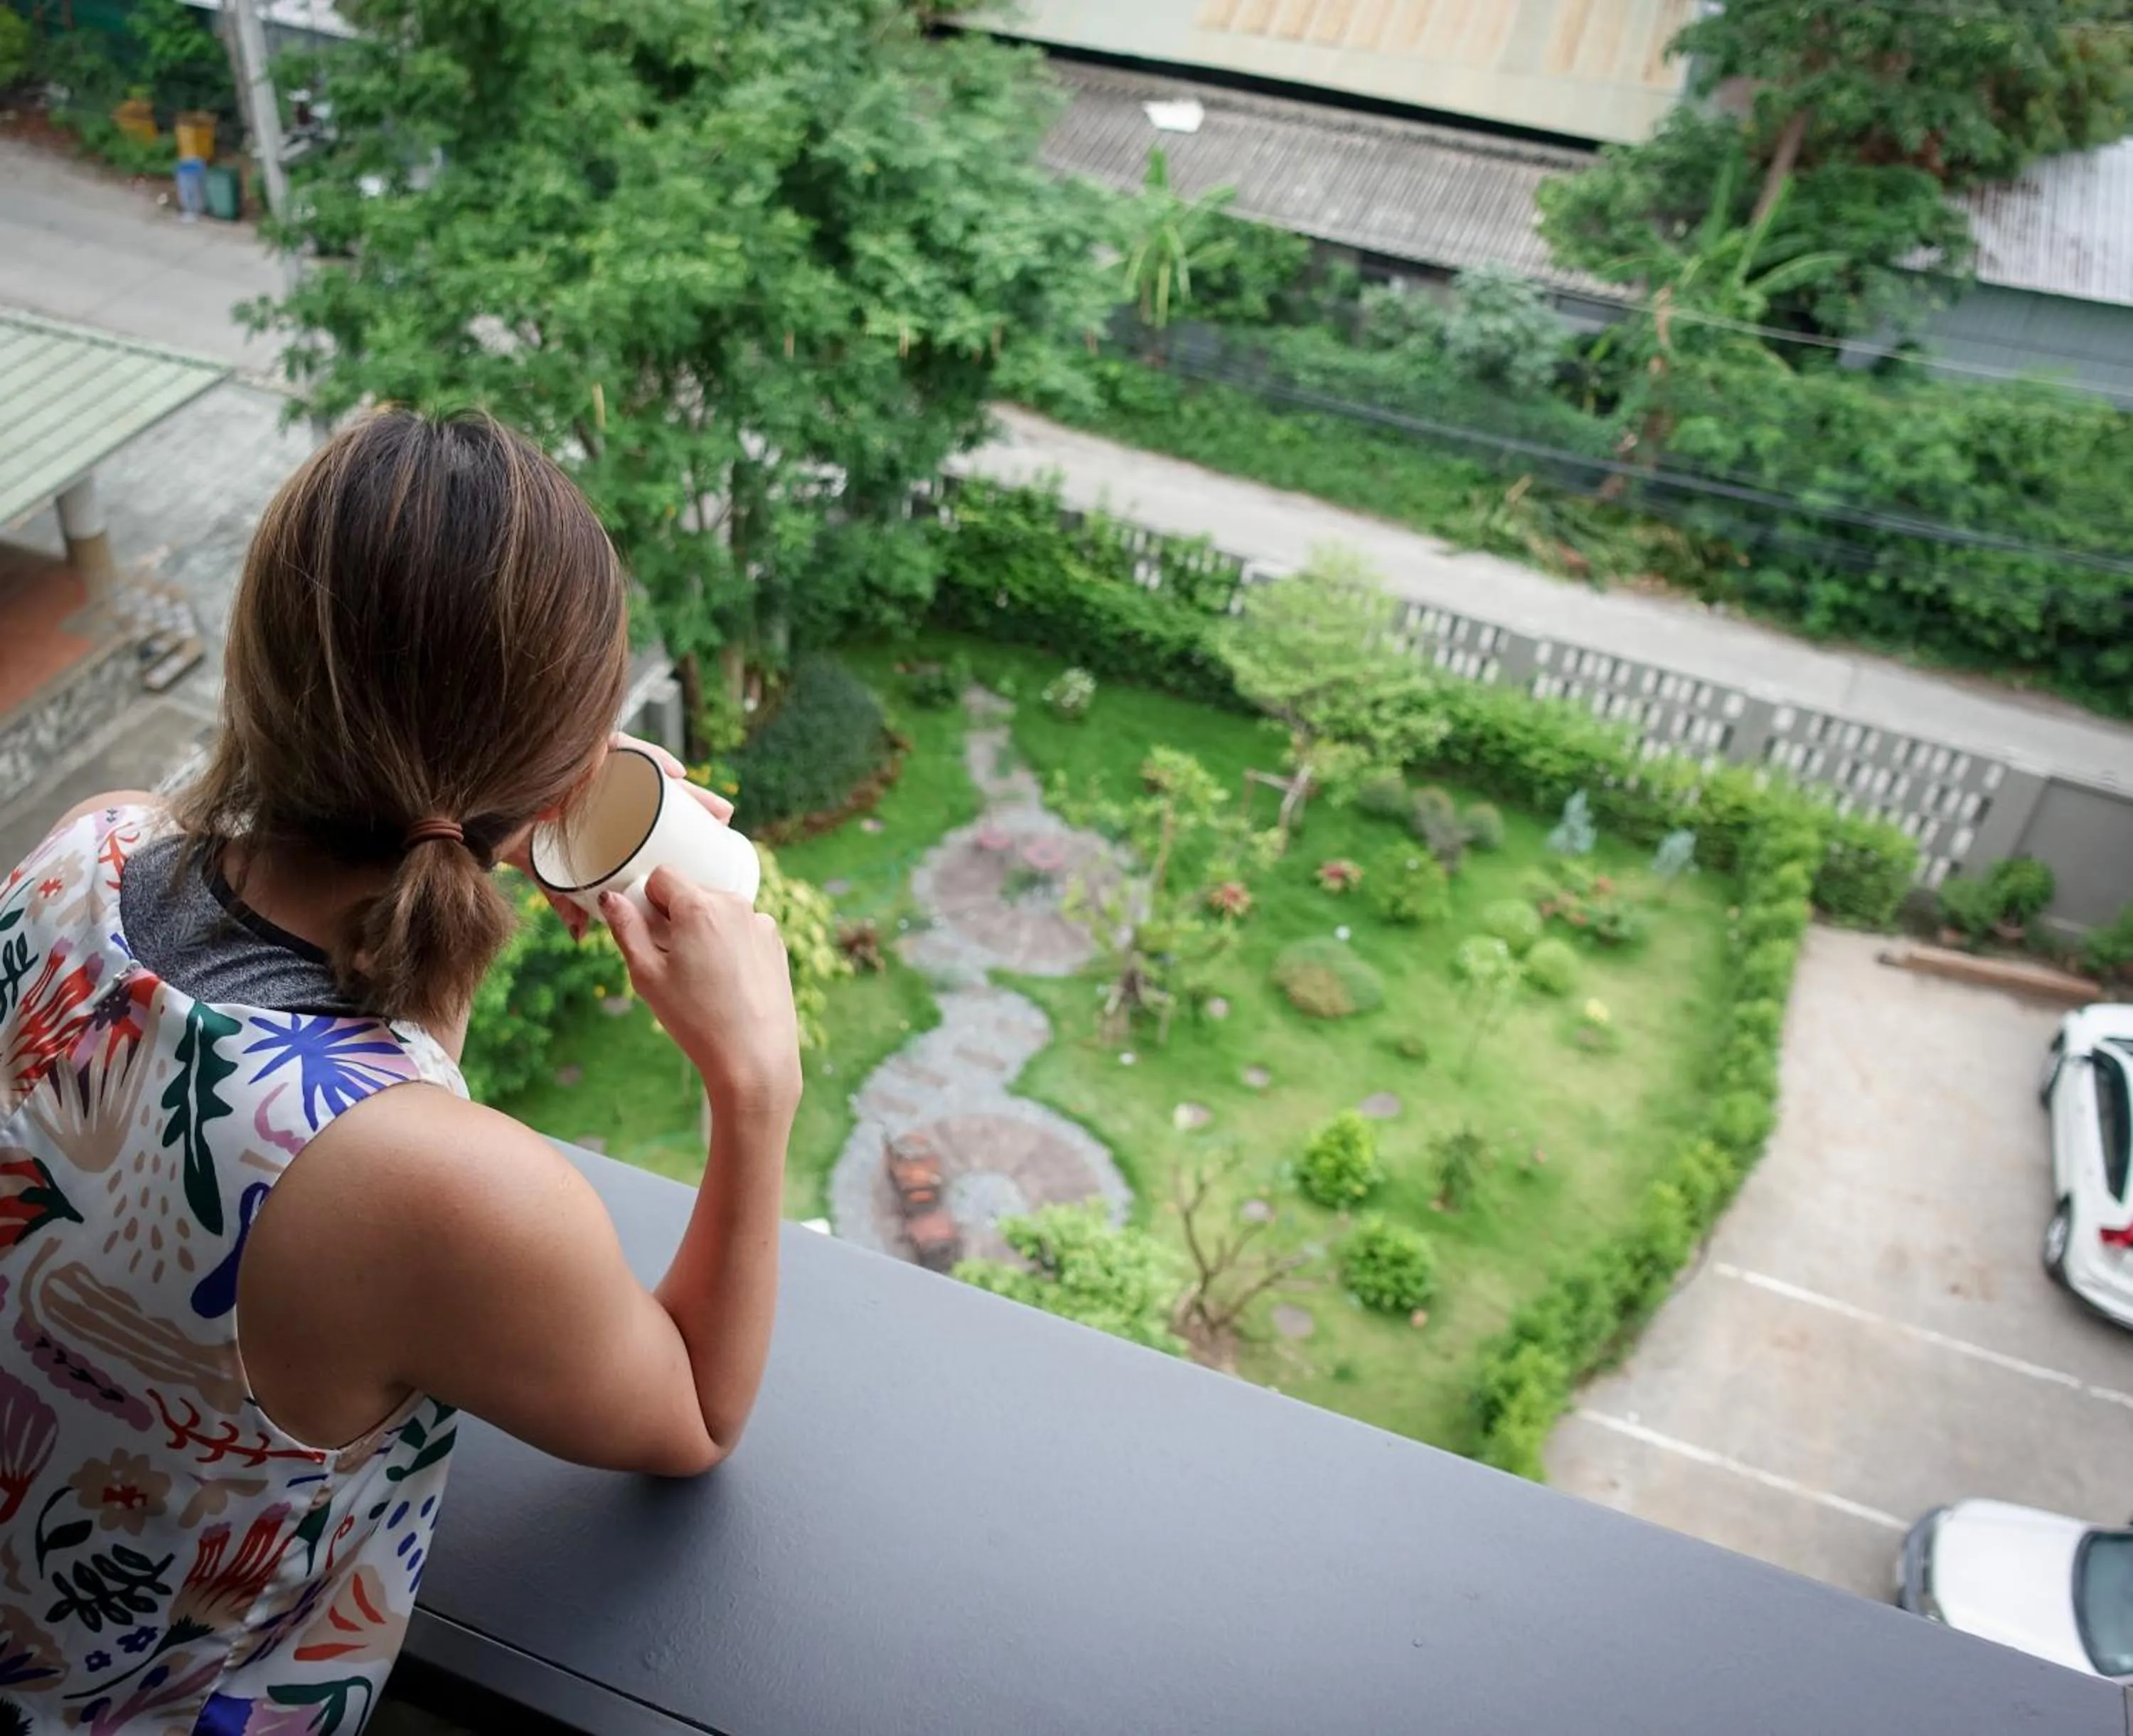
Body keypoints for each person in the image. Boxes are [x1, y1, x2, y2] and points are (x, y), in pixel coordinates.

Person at [0, 410, 799, 1732]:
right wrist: (753, 1082)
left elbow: (348, 1039)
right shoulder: (435, 1188)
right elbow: (697, 1415)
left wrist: (519, 800)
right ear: (549, 768)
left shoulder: (86, 853)